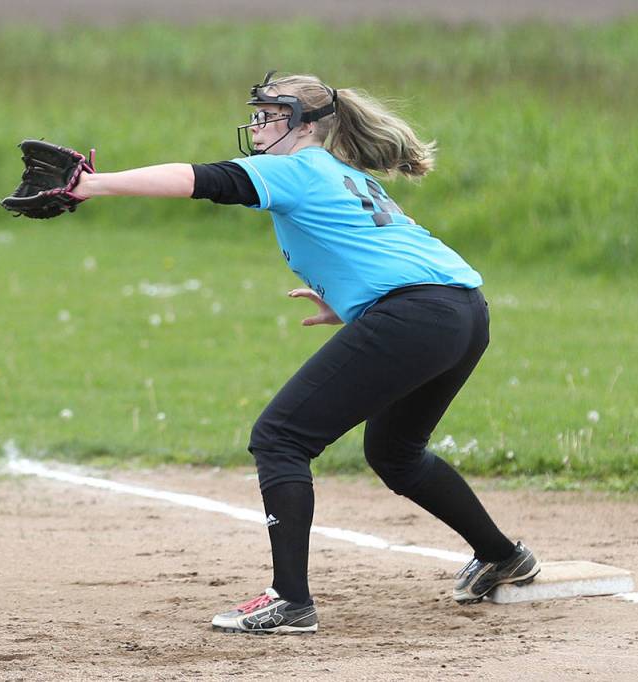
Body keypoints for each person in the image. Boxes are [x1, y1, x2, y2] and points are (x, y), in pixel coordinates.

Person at [73, 71, 539, 634]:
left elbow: (196, 179)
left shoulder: (296, 168)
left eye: (270, 114)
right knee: (395, 452)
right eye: (259, 113)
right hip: (463, 312)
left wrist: (94, 186)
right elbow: (390, 249)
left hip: (418, 316)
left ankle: (289, 599)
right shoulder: (342, 174)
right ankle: (502, 556)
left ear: (307, 124)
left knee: (280, 437)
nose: (257, 123)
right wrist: (349, 302)